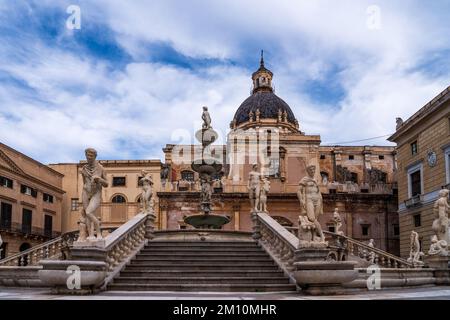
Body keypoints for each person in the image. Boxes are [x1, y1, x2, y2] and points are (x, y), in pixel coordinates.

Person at [80, 148, 108, 241]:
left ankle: (99, 233)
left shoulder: (101, 168)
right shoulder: (84, 168)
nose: (89, 157)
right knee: (87, 215)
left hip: (96, 193)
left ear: (95, 156)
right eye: (87, 155)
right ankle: (91, 235)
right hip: (85, 192)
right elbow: (84, 181)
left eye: (91, 156)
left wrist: (99, 179)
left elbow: (106, 184)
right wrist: (86, 188)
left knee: (89, 212)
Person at [297, 164, 325, 243]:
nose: (312, 171)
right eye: (311, 170)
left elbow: (318, 191)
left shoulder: (315, 179)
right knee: (311, 218)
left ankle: (313, 237)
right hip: (309, 199)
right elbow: (298, 191)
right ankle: (322, 235)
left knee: (314, 220)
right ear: (308, 171)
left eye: (313, 170)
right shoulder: (304, 179)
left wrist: (321, 199)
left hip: (318, 200)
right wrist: (301, 200)